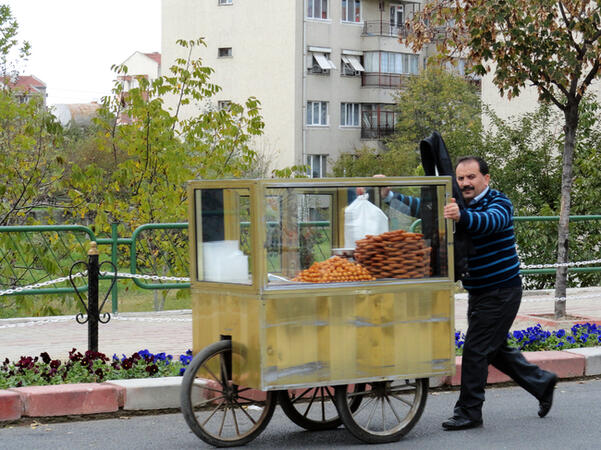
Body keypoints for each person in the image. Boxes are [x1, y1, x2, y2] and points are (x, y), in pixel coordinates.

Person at [441, 156, 558, 430]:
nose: (466, 183)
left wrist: (461, 215)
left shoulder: (499, 202)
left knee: (476, 350)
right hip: (479, 290)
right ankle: (542, 382)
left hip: (502, 290)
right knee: (494, 349)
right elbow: (427, 208)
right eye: (461, 178)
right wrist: (391, 195)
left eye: (471, 177)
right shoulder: (461, 204)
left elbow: (490, 222)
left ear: (486, 178)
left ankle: (469, 412)